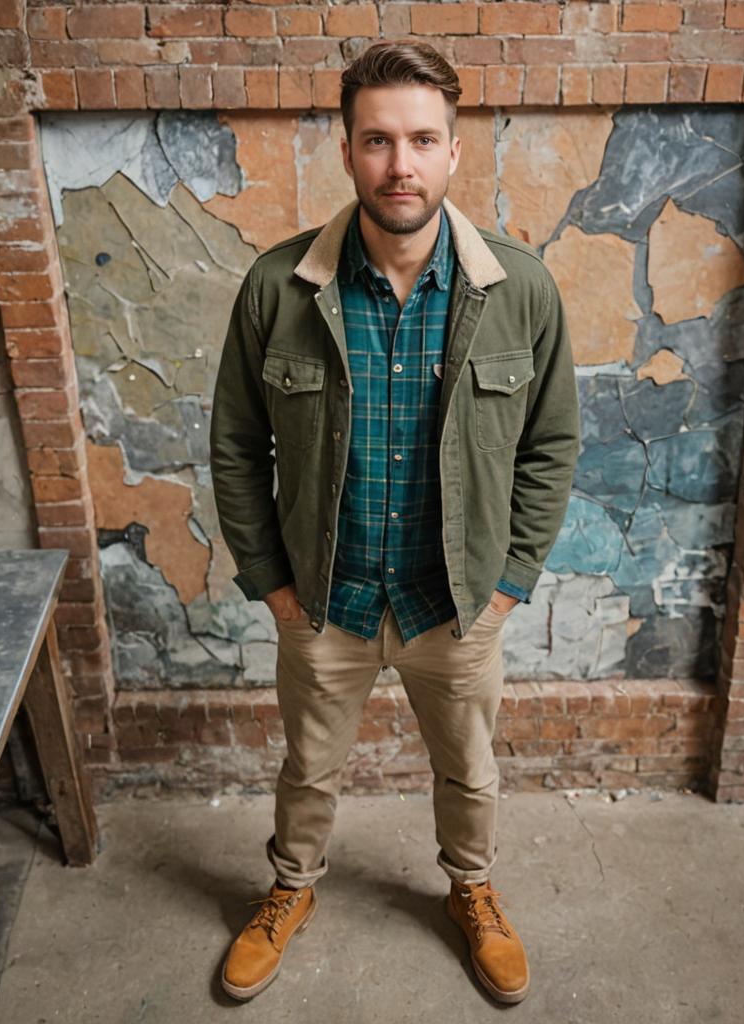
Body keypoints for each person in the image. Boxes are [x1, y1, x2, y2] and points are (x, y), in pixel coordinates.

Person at [208, 39, 580, 1004]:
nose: (399, 164)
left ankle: (471, 889)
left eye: (421, 139)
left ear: (455, 152)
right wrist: (275, 588)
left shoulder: (520, 291)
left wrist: (508, 586)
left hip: (454, 603)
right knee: (308, 769)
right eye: (378, 140)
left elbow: (552, 446)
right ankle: (290, 890)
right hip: (325, 598)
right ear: (347, 150)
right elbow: (237, 447)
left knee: (469, 771)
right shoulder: (277, 288)